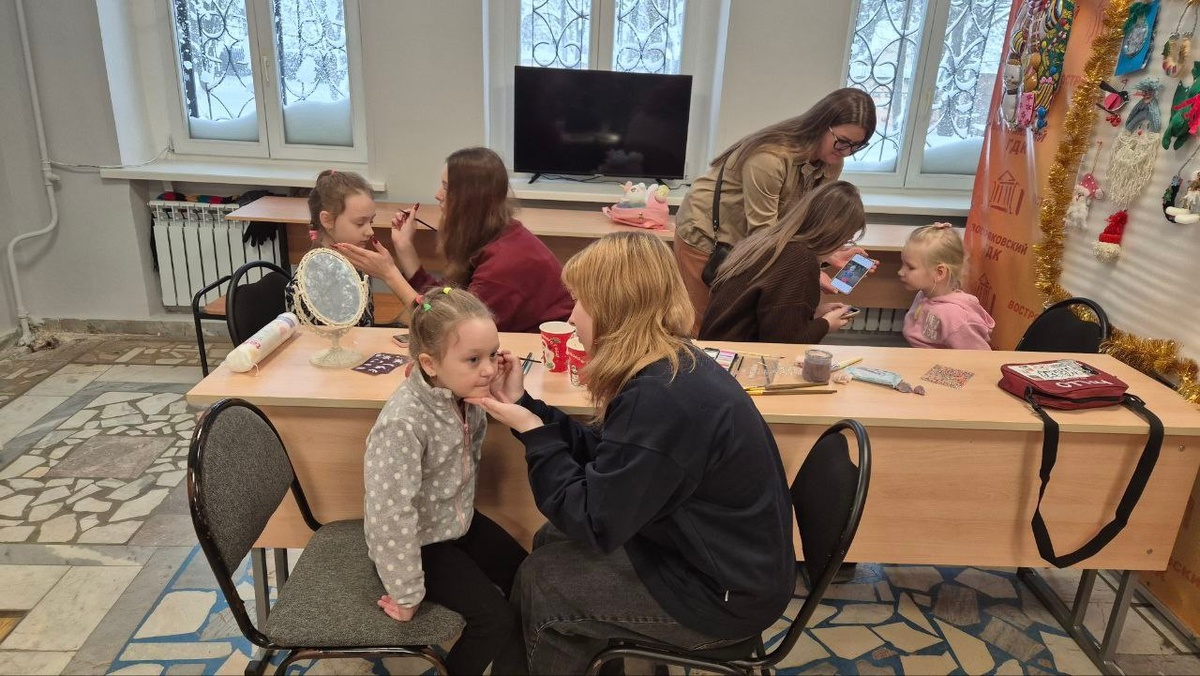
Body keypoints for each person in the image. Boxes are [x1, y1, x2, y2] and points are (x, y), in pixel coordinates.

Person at [471, 232, 796, 675]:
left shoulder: (660, 397)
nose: (571, 316)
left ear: (613, 309)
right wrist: (528, 408)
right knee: (550, 540)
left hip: (723, 596)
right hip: (724, 563)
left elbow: (594, 521)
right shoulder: (671, 364)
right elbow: (612, 458)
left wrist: (534, 434)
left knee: (544, 584)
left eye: (580, 302)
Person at [364, 287, 528, 675]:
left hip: (458, 524)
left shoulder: (464, 394)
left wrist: (505, 394)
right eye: (473, 359)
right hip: (421, 542)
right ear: (430, 364)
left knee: (529, 578)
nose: (488, 369)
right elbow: (389, 516)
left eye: (493, 355)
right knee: (494, 620)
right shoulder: (403, 423)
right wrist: (406, 592)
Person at [673, 88, 878, 334]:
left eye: (856, 146)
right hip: (708, 236)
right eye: (842, 141)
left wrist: (828, 254)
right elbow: (764, 234)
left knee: (740, 324)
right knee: (705, 325)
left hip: (753, 243)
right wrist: (809, 271)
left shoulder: (833, 162)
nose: (845, 152)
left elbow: (805, 221)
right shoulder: (769, 158)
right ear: (822, 125)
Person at [341, 147, 573, 333]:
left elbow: (447, 329)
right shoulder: (495, 234)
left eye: (446, 188)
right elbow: (446, 301)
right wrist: (405, 247)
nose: (437, 195)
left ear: (470, 199)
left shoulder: (504, 263)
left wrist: (390, 274)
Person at [699, 181, 866, 344]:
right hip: (737, 354)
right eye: (847, 239)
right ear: (835, 230)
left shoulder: (770, 241)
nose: (843, 245)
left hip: (718, 347)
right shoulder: (799, 258)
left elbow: (772, 315)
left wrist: (814, 314)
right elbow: (786, 341)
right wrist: (826, 324)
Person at [287, 169, 418, 325]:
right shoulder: (314, 283)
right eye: (360, 223)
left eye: (371, 221)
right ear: (327, 220)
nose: (370, 231)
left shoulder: (353, 263)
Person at [898, 223, 995, 349]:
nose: (900, 272)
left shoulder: (956, 317)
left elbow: (977, 358)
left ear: (939, 272)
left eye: (910, 267)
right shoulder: (923, 295)